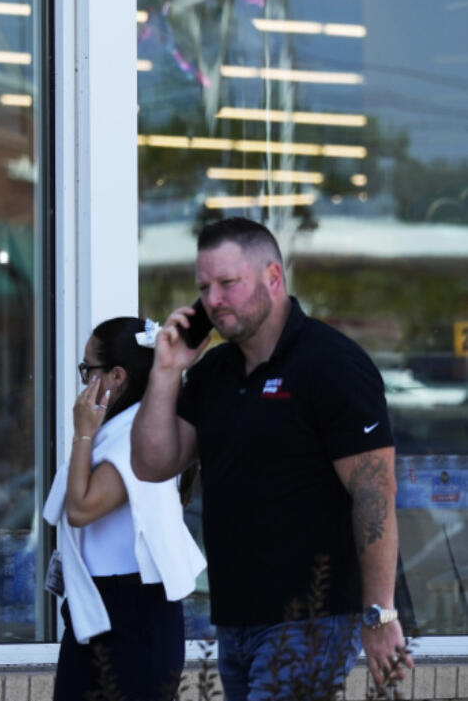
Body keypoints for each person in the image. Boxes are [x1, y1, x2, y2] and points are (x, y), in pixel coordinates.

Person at [131, 216, 413, 700]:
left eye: (228, 283)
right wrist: (166, 371)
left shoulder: (331, 364)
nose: (213, 300)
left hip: (310, 621)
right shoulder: (214, 372)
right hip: (236, 621)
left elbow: (374, 494)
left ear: (273, 278)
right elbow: (153, 463)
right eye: (204, 287)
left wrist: (380, 612)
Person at [43, 317, 206, 701]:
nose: (84, 380)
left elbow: (81, 509)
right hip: (102, 606)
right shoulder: (123, 426)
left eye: (88, 370)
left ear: (116, 376)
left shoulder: (137, 434)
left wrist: (82, 431)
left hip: (131, 612)